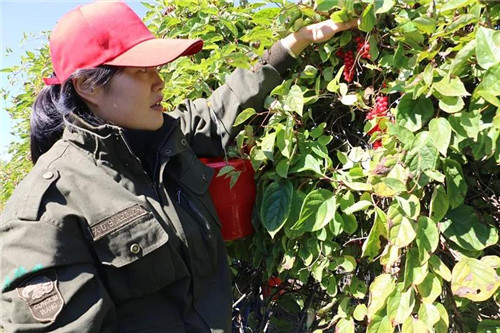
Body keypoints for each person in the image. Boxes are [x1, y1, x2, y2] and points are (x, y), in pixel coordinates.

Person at [0, 1, 358, 332]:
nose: (160, 81)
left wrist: (294, 42)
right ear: (88, 86)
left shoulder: (166, 140)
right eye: (142, 71)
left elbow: (226, 104)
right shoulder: (45, 212)